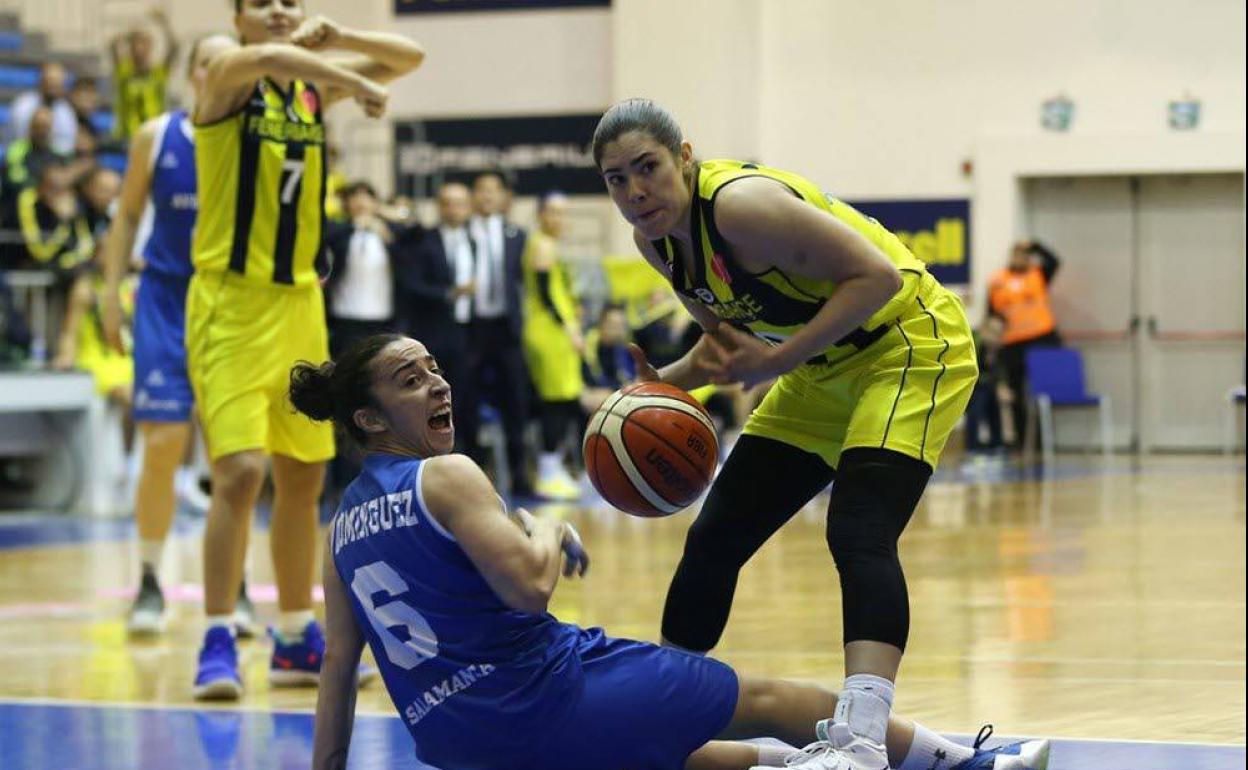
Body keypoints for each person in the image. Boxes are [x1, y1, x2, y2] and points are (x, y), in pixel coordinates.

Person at [296, 334, 1048, 770]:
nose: (435, 384)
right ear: (367, 418)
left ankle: (815, 767)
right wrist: (550, 528)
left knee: (686, 761)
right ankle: (965, 765)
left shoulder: (340, 527)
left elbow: (337, 667)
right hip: (543, 693)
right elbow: (530, 588)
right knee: (778, 702)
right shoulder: (446, 476)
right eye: (410, 380)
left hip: (456, 742)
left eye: (432, 369)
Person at [593, 99, 986, 770]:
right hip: (820, 368)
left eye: (647, 167)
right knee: (715, 537)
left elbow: (878, 277)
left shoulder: (745, 209)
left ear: (685, 157)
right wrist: (661, 384)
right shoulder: (654, 241)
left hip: (909, 344)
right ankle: (664, 717)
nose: (635, 191)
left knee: (858, 530)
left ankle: (861, 742)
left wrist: (775, 359)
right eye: (616, 179)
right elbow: (723, 348)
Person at [186, 0, 424, 700]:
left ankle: (294, 635)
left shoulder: (310, 85)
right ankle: (218, 634)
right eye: (263, 2)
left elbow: (408, 56)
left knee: (300, 476)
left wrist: (343, 38)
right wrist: (352, 80)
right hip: (229, 303)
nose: (281, 10)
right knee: (237, 473)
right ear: (237, 17)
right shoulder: (229, 73)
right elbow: (266, 59)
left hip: (299, 304)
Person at [97, 35, 241, 636]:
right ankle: (151, 579)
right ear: (191, 74)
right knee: (162, 444)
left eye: (230, 61)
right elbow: (128, 214)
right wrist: (109, 292)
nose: (218, 71)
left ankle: (232, 588)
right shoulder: (156, 136)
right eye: (208, 60)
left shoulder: (252, 138)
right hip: (163, 300)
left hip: (234, 305)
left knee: (236, 456)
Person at [460, 169, 532, 497]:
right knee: (466, 402)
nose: (487, 196)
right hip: (472, 329)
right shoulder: (461, 233)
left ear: (504, 197)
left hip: (506, 328)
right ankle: (471, 480)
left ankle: (521, 476)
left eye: (493, 190)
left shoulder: (517, 235)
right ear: (473, 196)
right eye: (480, 189)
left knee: (516, 402)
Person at [396, 181, 474, 454]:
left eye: (460, 203)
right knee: (430, 401)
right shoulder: (423, 239)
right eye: (447, 203)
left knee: (464, 401)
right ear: (439, 207)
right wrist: (449, 294)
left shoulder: (475, 238)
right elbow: (411, 284)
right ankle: (429, 457)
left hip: (471, 333)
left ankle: (463, 460)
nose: (453, 210)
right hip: (434, 333)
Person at [521, 191, 583, 500]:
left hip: (556, 330)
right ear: (541, 214)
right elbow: (546, 296)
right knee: (555, 402)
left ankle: (555, 466)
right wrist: (570, 327)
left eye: (563, 212)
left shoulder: (549, 245)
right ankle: (547, 472)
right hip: (549, 331)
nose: (560, 218)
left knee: (565, 400)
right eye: (554, 212)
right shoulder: (542, 245)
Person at [988, 240, 1062, 449]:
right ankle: (1021, 443)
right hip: (1013, 344)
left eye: (1025, 254)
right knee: (1015, 395)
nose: (1021, 258)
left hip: (1042, 339)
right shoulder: (998, 280)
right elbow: (992, 313)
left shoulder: (1038, 274)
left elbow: (1055, 261)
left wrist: (1035, 245)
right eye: (1017, 254)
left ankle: (1042, 441)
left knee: (1043, 392)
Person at [110, 6, 179, 141]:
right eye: (135, 44)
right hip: (127, 138)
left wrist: (164, 24)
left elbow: (175, 48)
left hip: (154, 135)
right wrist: (129, 33)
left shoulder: (158, 73)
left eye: (143, 44)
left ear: (150, 47)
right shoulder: (123, 72)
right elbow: (113, 46)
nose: (139, 49)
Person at [6, 62, 78, 153]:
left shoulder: (66, 112)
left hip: (54, 159)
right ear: (41, 81)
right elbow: (18, 138)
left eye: (58, 84)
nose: (53, 88)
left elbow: (67, 146)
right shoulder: (23, 105)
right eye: (50, 82)